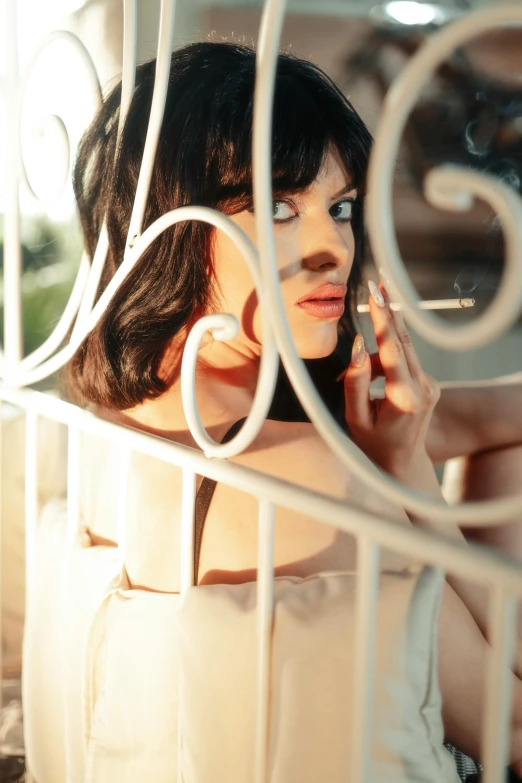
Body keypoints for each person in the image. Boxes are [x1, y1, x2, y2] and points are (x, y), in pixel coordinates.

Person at [69, 41, 522, 777]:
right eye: (278, 206)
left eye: (339, 208)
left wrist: (404, 447)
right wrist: (403, 470)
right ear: (167, 220)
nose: (332, 249)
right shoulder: (305, 475)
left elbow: (481, 418)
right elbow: (514, 727)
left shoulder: (130, 408)